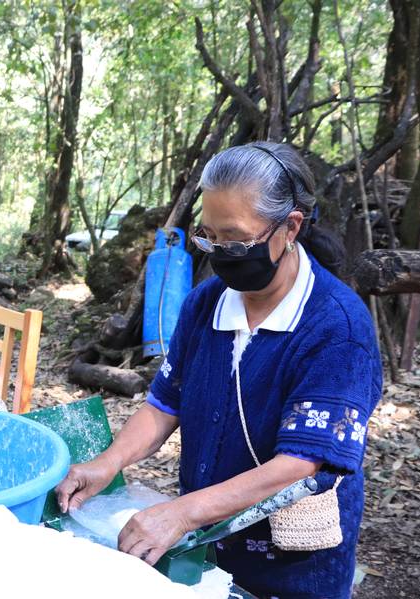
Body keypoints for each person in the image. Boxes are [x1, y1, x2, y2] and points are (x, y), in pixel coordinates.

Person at [56, 142, 382, 599]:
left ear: (290, 227)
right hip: (205, 547)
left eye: (236, 238)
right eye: (209, 236)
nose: (222, 252)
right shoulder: (206, 303)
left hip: (289, 568)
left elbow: (299, 464)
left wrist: (182, 513)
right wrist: (106, 464)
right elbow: (163, 406)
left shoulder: (336, 329)